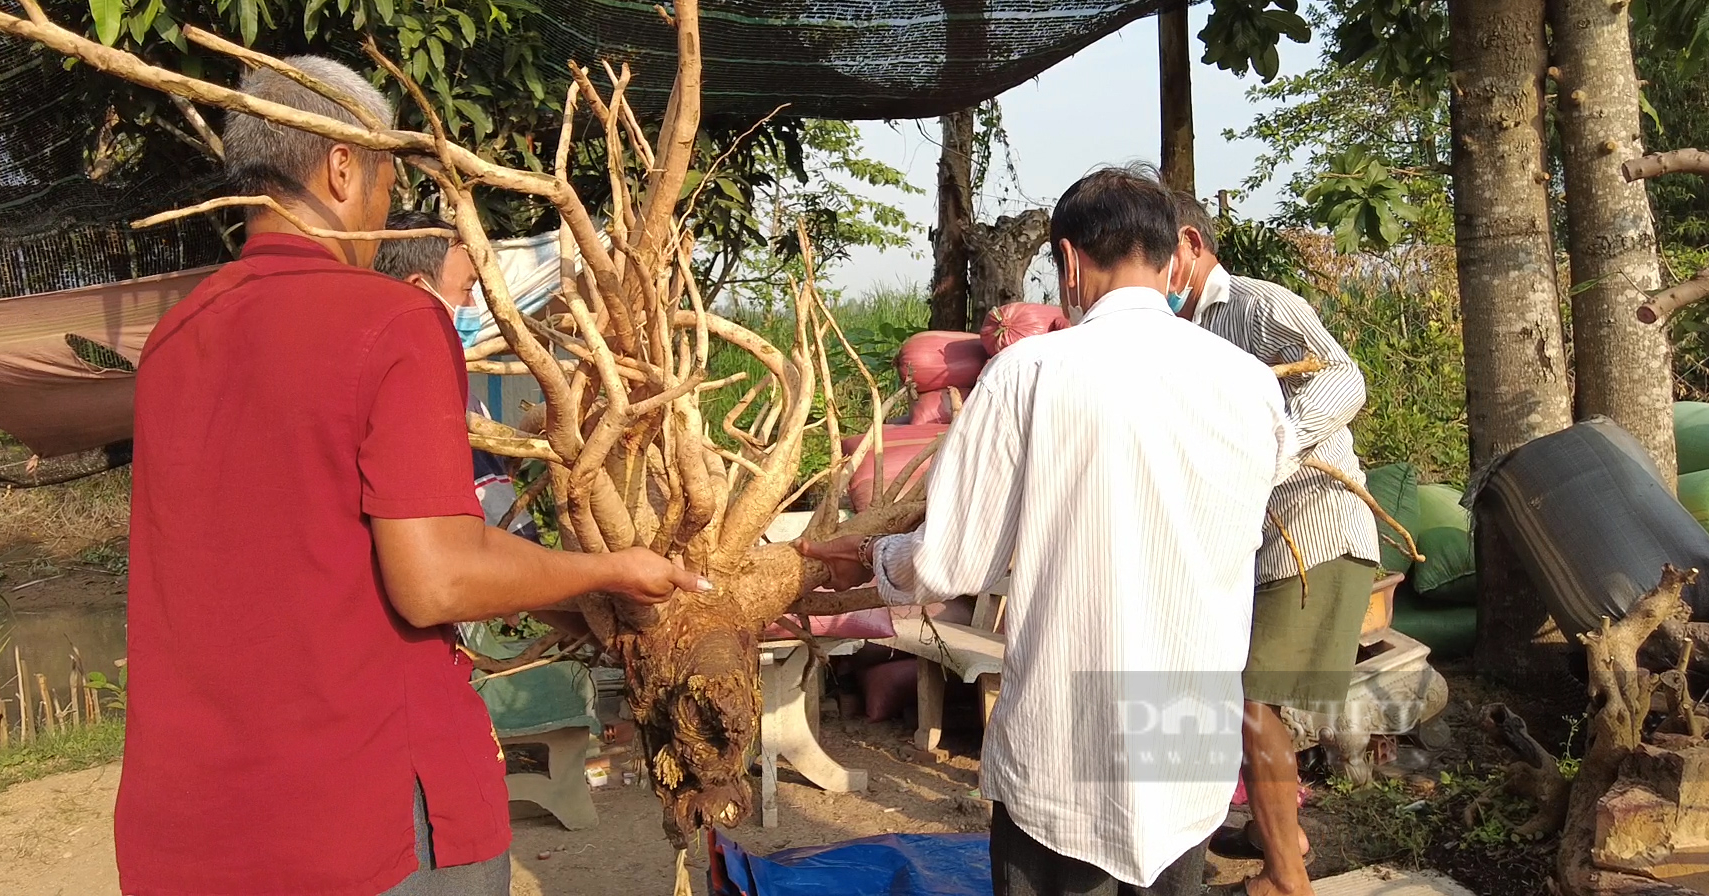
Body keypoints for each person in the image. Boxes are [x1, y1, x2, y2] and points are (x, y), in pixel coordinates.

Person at [115, 56, 706, 896]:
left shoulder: (173, 342)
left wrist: (552, 594)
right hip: (364, 824)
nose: (389, 211)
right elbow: (434, 577)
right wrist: (606, 571)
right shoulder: (393, 319)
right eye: (389, 181)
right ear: (342, 166)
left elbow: (309, 549)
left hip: (189, 830)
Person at [803, 164, 1297, 896]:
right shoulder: (1250, 381)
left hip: (1068, 738)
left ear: (1067, 260)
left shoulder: (1030, 373)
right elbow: (1271, 476)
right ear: (1172, 258)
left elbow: (949, 564)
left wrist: (875, 556)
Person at [1164, 190, 1380, 896]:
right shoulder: (1172, 336)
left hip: (1312, 525)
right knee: (1238, 697)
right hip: (1245, 541)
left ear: (1191, 245)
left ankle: (1286, 879)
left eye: (1153, 254)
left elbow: (1344, 379)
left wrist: (1273, 446)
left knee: (1255, 702)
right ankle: (1280, 833)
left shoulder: (1257, 305)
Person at [372, 210, 539, 541]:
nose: (473, 303)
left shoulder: (454, 388)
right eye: (467, 289)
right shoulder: (428, 398)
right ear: (419, 290)